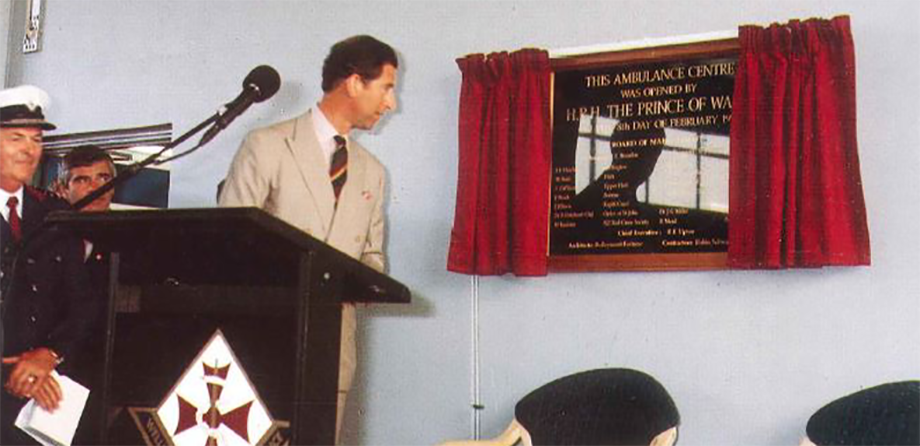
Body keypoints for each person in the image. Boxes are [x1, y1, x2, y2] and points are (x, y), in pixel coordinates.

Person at [219, 35, 399, 442]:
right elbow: (227, 246)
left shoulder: (373, 173)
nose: (391, 103)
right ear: (354, 82)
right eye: (387, 88)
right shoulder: (266, 146)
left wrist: (365, 280)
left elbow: (372, 259)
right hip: (260, 350)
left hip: (331, 357)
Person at [0, 85, 94, 445]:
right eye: (16, 138)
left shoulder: (55, 217)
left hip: (38, 397)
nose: (28, 150)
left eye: (36, 140)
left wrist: (47, 356)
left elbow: (83, 304)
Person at [54, 145, 117, 445]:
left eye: (103, 178)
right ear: (63, 188)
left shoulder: (136, 244)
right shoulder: (44, 243)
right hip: (48, 382)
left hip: (106, 386)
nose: (96, 187)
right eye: (82, 180)